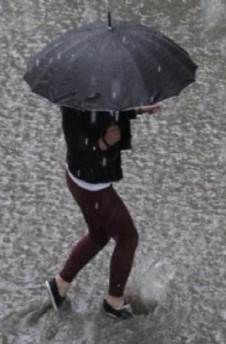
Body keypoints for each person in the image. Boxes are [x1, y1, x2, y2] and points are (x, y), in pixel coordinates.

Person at [45, 103, 161, 320]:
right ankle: (113, 302)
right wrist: (105, 142)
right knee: (128, 238)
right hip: (92, 186)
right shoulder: (76, 103)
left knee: (99, 235)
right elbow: (81, 143)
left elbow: (106, 111)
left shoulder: (94, 93)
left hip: (80, 178)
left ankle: (60, 283)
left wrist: (138, 110)